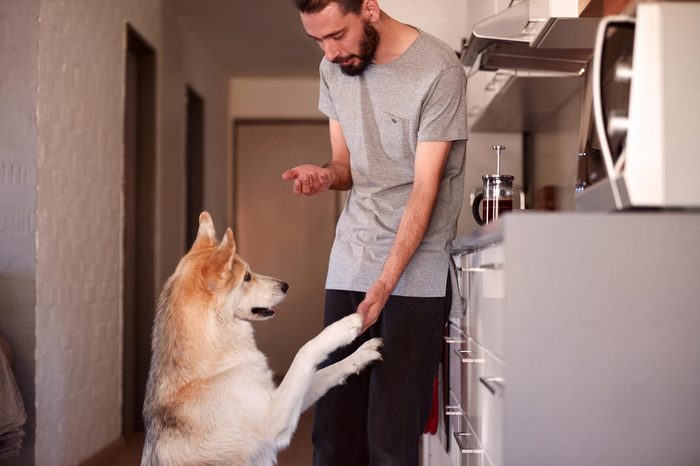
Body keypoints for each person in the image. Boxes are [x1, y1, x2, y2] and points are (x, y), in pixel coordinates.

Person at [282, 0, 467, 464]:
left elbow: (424, 192)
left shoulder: (438, 69)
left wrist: (385, 283)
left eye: (337, 35)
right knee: (333, 434)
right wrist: (325, 176)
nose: (328, 52)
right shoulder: (333, 69)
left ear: (369, 9)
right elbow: (345, 167)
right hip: (351, 259)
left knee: (389, 437)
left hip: (415, 270)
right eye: (317, 40)